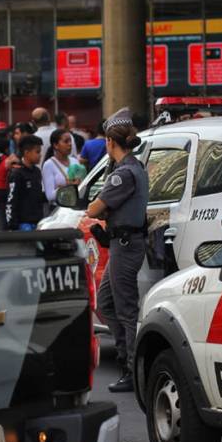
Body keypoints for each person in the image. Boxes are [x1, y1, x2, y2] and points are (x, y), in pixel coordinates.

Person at [87, 108, 149, 392]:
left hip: (126, 246)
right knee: (107, 302)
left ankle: (133, 370)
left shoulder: (122, 174)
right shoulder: (131, 167)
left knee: (125, 308)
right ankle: (127, 357)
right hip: (121, 243)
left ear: (111, 142)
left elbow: (93, 208)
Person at [6, 135, 45, 231]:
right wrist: (13, 225)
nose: (40, 155)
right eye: (37, 152)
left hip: (38, 222)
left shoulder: (37, 171)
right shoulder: (17, 173)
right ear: (26, 153)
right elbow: (11, 200)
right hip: (23, 224)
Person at [41, 128, 76, 207]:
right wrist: (68, 186)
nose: (70, 144)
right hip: (58, 210)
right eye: (66, 141)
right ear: (56, 145)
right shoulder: (49, 165)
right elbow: (49, 196)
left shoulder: (74, 161)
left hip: (74, 206)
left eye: (70, 141)